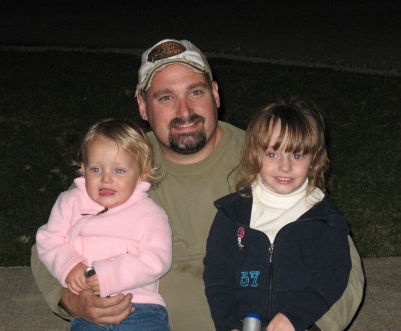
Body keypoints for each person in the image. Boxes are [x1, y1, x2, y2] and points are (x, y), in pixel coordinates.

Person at [31, 39, 364, 331]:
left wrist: (312, 325)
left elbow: (339, 261)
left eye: (196, 91)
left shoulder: (268, 160)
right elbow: (49, 242)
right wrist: (72, 302)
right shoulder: (120, 163)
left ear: (215, 94)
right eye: (165, 98)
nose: (185, 110)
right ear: (142, 107)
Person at [203, 98, 352, 331]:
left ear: (314, 159)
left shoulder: (324, 218)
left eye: (297, 155)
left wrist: (295, 317)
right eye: (273, 154)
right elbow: (217, 276)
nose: (285, 166)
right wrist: (227, 324)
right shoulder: (232, 213)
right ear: (254, 155)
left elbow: (333, 276)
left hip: (299, 325)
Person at [35, 119, 172, 331]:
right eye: (96, 169)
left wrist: (108, 275)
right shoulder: (70, 201)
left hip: (139, 305)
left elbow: (156, 260)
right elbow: (49, 239)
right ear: (83, 169)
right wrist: (69, 265)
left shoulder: (150, 214)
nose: (106, 179)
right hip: (88, 307)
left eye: (119, 171)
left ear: (142, 174)